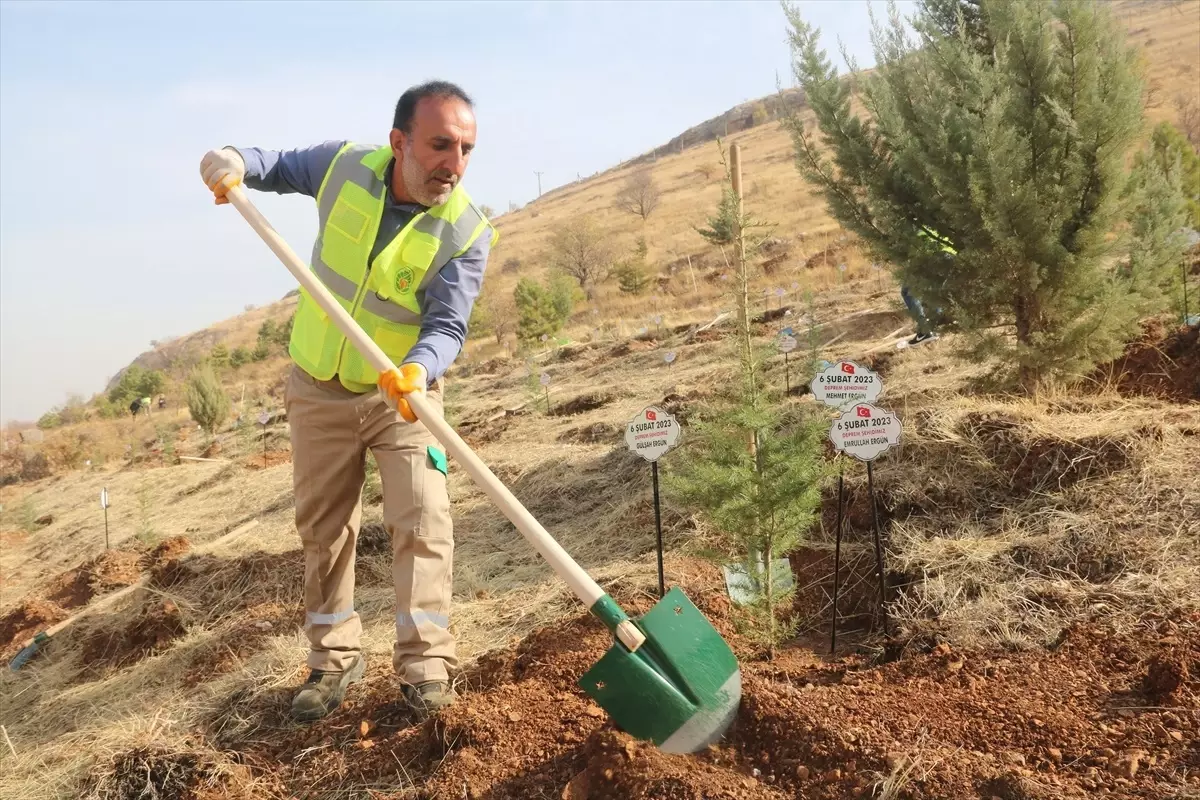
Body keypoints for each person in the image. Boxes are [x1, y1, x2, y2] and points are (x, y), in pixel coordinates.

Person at [198, 81, 496, 723]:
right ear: (399, 142)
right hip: (318, 389)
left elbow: (446, 326)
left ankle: (425, 667)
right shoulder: (344, 167)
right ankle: (333, 658)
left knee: (423, 520)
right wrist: (231, 159)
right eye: (441, 144)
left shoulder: (467, 230)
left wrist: (418, 370)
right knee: (324, 529)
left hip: (403, 397)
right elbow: (271, 165)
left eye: (466, 149)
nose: (455, 163)